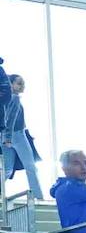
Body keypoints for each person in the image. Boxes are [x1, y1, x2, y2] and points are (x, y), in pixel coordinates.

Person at [1, 64, 43, 204]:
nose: (22, 86)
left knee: (7, 169)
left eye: (23, 83)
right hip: (16, 135)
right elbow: (11, 118)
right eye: (19, 83)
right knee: (31, 167)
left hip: (5, 136)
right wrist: (8, 138)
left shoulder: (5, 100)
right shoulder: (15, 98)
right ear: (11, 84)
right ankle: (38, 197)